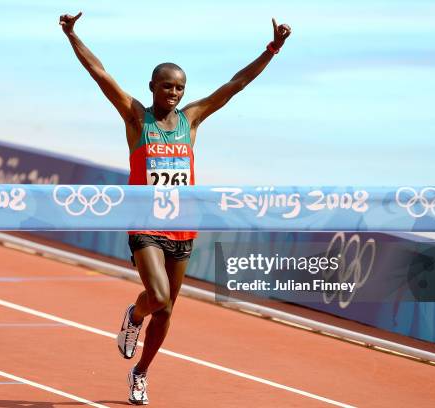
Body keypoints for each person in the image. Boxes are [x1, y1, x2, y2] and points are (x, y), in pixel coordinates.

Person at [59, 11, 291, 405]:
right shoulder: (137, 118)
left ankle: (140, 373)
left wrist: (272, 48)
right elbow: (100, 74)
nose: (174, 93)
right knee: (158, 298)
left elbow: (235, 85)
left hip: (183, 227)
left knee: (166, 314)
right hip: (145, 224)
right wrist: (71, 34)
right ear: (152, 87)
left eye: (180, 88)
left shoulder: (191, 120)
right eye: (167, 86)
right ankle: (134, 316)